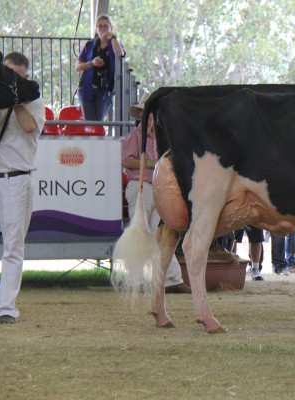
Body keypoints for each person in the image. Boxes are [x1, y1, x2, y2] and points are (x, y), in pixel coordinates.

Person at [122, 94, 191, 293]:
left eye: (152, 113)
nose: (150, 117)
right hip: (140, 186)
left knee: (157, 233)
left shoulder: (160, 138)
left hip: (156, 189)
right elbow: (126, 161)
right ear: (141, 115)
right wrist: (153, 164)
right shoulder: (135, 136)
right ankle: (139, 280)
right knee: (142, 233)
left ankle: (169, 278)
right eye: (147, 113)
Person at [0, 52, 45, 324]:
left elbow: (29, 127)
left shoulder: (35, 102)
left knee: (13, 245)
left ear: (24, 77)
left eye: (11, 76)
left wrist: (14, 98)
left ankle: (6, 306)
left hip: (17, 179)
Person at [75, 15, 125, 121]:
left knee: (98, 122)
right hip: (86, 88)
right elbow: (78, 67)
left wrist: (113, 37)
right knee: (90, 122)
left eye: (106, 26)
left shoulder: (116, 44)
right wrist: (91, 63)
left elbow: (120, 54)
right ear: (96, 29)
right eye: (100, 26)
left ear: (111, 28)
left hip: (105, 90)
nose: (103, 29)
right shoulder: (89, 45)